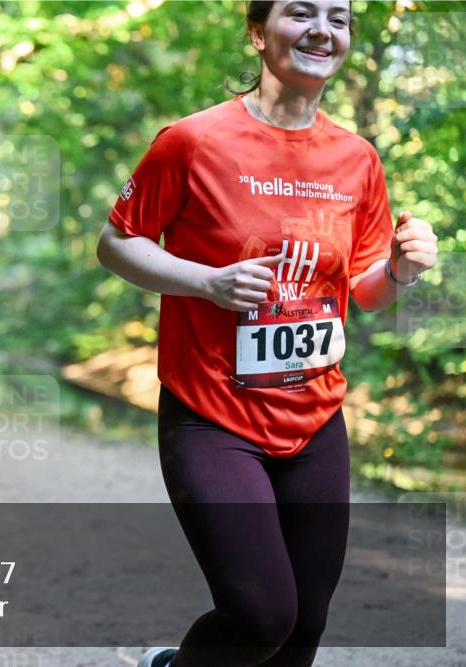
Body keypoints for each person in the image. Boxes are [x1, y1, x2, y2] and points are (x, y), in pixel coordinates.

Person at [96, 2, 439, 666]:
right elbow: (117, 243)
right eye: (301, 12)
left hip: (314, 419)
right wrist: (206, 281)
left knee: (305, 623)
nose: (323, 28)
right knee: (260, 615)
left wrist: (398, 271)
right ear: (257, 33)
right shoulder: (192, 141)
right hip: (211, 412)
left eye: (338, 18)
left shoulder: (357, 160)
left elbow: (364, 289)